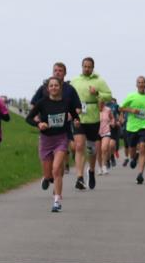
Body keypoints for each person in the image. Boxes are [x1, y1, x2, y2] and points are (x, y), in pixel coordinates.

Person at [27, 76, 80, 212]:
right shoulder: (42, 102)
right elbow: (29, 118)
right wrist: (39, 124)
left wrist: (76, 121)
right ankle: (46, 177)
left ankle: (57, 200)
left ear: (60, 87)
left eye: (56, 85)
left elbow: (75, 115)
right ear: (48, 88)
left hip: (61, 139)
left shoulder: (66, 102)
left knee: (56, 169)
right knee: (49, 174)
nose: (54, 88)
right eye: (51, 86)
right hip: (46, 140)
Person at [31, 62, 82, 177]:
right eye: (55, 70)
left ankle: (58, 181)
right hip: (47, 127)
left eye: (60, 70)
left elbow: (78, 108)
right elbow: (33, 105)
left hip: (63, 127)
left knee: (61, 155)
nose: (57, 72)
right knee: (48, 156)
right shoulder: (44, 88)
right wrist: (37, 119)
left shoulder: (70, 89)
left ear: (65, 73)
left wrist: (71, 115)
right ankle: (49, 176)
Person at [70, 57, 112, 189]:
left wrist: (98, 93)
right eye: (85, 66)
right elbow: (69, 97)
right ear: (81, 67)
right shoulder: (75, 81)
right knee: (79, 146)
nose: (87, 68)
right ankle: (80, 177)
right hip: (79, 117)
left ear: (93, 68)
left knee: (91, 149)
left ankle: (92, 171)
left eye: (89, 66)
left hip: (93, 118)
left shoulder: (99, 80)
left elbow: (109, 95)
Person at [119, 76, 145, 185]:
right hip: (131, 127)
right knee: (132, 151)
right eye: (139, 82)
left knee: (143, 147)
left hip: (144, 126)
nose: (141, 84)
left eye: (143, 82)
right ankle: (133, 157)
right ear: (136, 85)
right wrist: (131, 110)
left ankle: (140, 174)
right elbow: (121, 108)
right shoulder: (131, 96)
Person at [97, 98, 115, 175]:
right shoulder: (94, 110)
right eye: (99, 103)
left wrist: (112, 122)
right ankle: (99, 167)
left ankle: (104, 166)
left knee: (104, 148)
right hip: (96, 133)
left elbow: (112, 118)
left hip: (106, 131)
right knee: (98, 151)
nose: (101, 104)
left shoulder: (108, 109)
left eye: (102, 103)